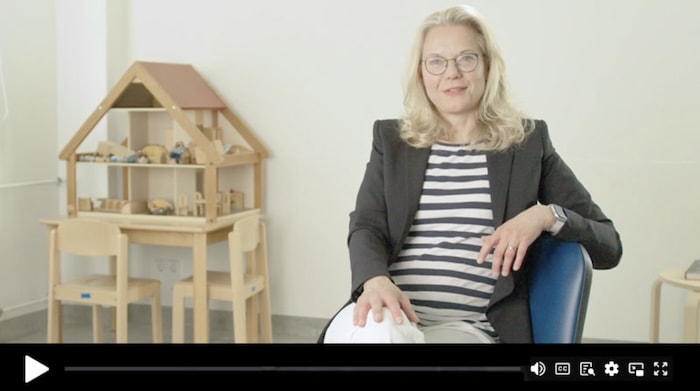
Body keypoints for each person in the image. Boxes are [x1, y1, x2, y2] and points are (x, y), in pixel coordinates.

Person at [319, 4, 623, 344]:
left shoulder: (527, 144)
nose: (452, 73)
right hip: (388, 314)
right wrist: (374, 280)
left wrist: (545, 215)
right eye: (436, 61)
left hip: (466, 329)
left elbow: (608, 247)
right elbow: (366, 225)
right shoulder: (392, 141)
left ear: (488, 66)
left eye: (466, 58)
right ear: (421, 74)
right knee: (381, 335)